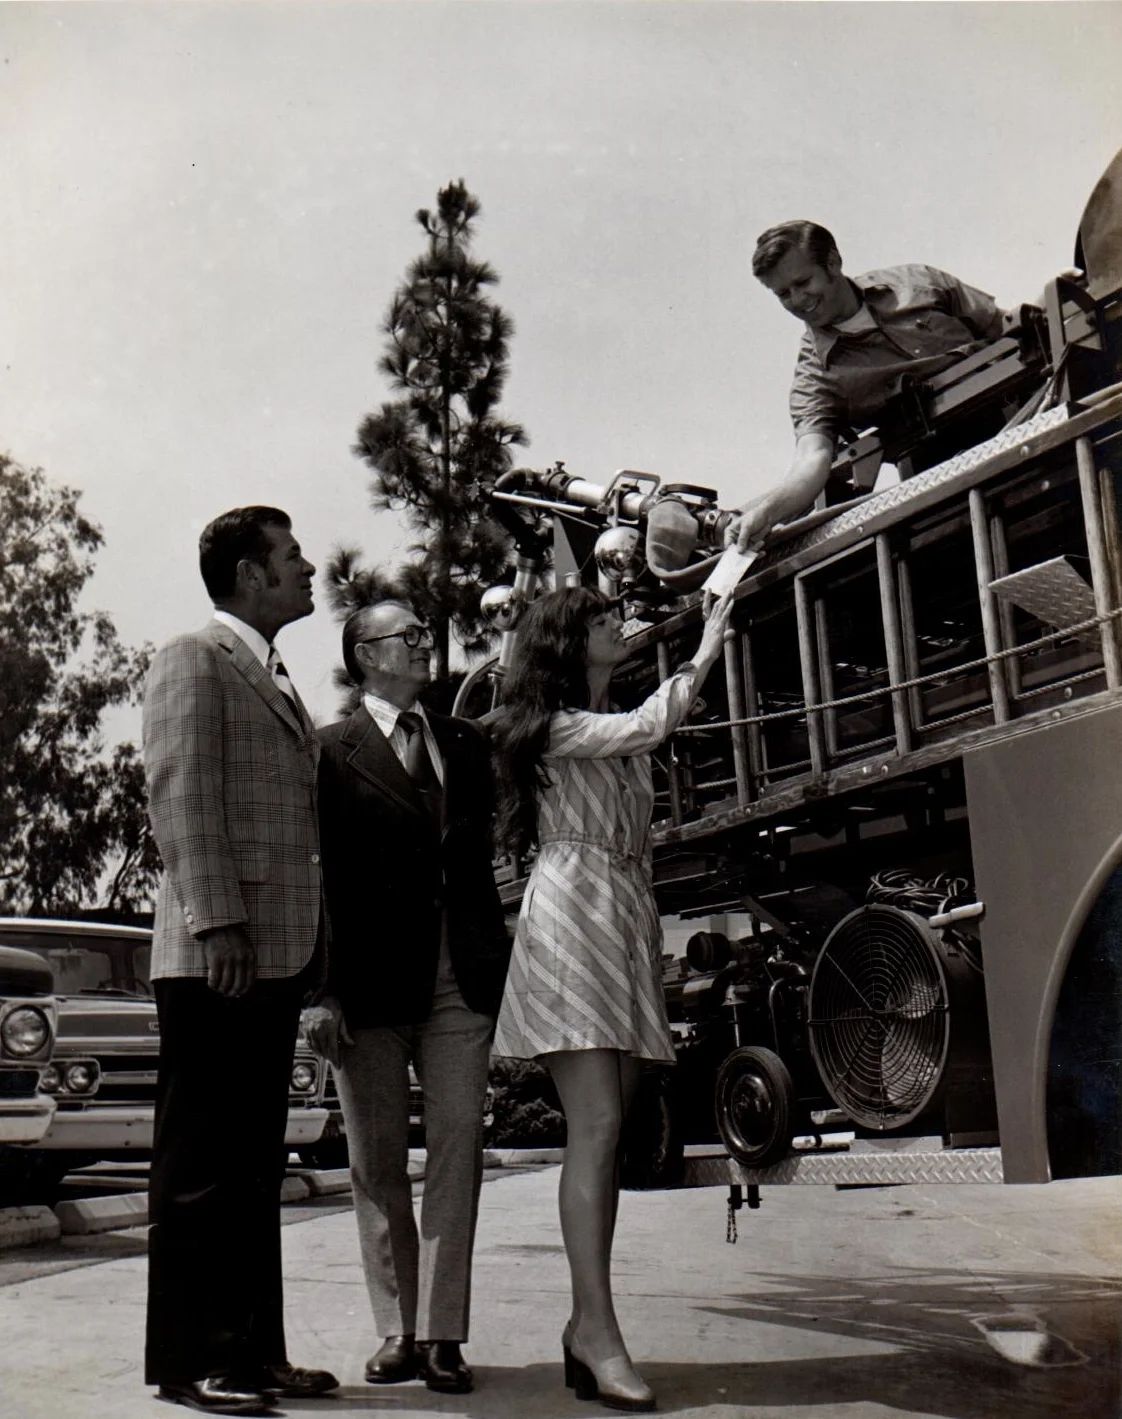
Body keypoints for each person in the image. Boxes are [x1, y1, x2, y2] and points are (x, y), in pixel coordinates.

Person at [491, 586, 735, 1414]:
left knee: (610, 1126)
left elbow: (640, 741)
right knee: (596, 1127)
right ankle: (598, 1332)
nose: (615, 625)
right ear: (567, 641)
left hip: (622, 912)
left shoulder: (605, 724)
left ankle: (582, 1324)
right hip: (572, 912)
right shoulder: (555, 725)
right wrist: (708, 640)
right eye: (599, 620)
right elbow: (651, 724)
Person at [142, 507, 338, 1415]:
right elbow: (180, 793)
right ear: (250, 575)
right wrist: (218, 921)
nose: (308, 568)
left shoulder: (273, 673)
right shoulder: (194, 656)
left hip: (270, 951)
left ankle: (255, 1353)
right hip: (216, 952)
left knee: (255, 1164)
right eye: (292, 555)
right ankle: (195, 1362)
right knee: (203, 1165)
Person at [304, 599, 511, 1397]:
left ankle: (442, 1333)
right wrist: (321, 989)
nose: (427, 644)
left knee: (458, 1151)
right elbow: (318, 877)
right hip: (366, 989)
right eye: (409, 636)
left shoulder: (465, 741)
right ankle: (396, 1326)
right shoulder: (330, 750)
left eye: (427, 634)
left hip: (461, 982)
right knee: (376, 1161)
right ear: (366, 655)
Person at [729, 220, 1008, 552]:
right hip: (947, 481)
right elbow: (812, 459)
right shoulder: (815, 377)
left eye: (803, 282)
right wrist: (768, 512)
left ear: (833, 262)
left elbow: (1005, 327)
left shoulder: (918, 282)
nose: (798, 300)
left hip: (1024, 414)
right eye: (783, 294)